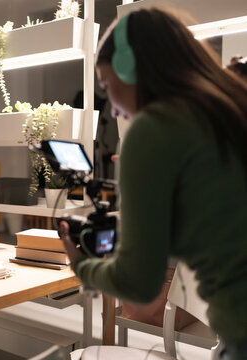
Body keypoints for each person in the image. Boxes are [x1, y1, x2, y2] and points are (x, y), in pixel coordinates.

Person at [58, 8, 247, 359]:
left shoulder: (153, 128)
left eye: (106, 85)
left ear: (130, 68)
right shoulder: (230, 104)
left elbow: (139, 284)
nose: (113, 109)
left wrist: (80, 264)